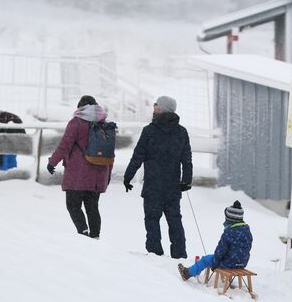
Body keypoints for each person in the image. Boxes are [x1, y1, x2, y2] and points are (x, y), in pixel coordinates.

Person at [124, 95, 193, 258]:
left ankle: (155, 254)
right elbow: (187, 159)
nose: (153, 106)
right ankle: (179, 254)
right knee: (175, 220)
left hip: (153, 185)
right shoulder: (181, 132)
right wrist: (186, 180)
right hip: (172, 186)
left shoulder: (149, 131)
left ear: (161, 109)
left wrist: (128, 177)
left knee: (152, 220)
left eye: (156, 104)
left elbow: (137, 156)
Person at [46, 95, 114, 239]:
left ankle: (83, 233)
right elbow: (109, 153)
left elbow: (65, 145)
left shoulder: (76, 122)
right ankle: (95, 236)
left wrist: (52, 162)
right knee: (92, 208)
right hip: (99, 174)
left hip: (78, 174)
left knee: (73, 205)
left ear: (80, 108)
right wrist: (108, 175)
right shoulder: (105, 124)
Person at [178, 200, 252, 281]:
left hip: (228, 263)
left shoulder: (229, 232)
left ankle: (187, 273)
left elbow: (221, 250)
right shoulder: (247, 230)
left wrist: (215, 263)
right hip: (242, 263)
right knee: (224, 256)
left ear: (229, 219)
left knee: (205, 260)